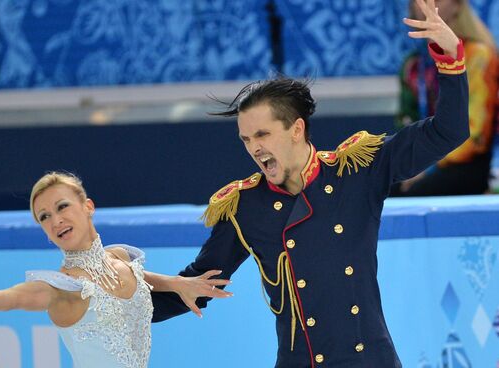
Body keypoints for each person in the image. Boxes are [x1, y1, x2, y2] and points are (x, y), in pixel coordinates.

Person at [150, 1, 469, 366]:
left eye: (262, 134)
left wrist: (449, 56)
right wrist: (116, 302)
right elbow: (197, 287)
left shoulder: (357, 170)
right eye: (246, 139)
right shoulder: (245, 207)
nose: (254, 148)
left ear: (296, 129)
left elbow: (449, 131)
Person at [0, 171, 232, 368]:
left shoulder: (120, 258)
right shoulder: (61, 287)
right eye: (44, 217)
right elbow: (7, 299)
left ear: (87, 207)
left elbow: (137, 279)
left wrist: (177, 283)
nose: (55, 220)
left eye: (61, 207)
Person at [393, 0, 498, 195]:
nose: (429, 5)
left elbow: (474, 135)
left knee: (416, 192)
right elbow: (405, 124)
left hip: (465, 162)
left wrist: (430, 165)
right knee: (381, 189)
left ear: (458, 5)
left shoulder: (478, 56)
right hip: (423, 157)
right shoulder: (414, 65)